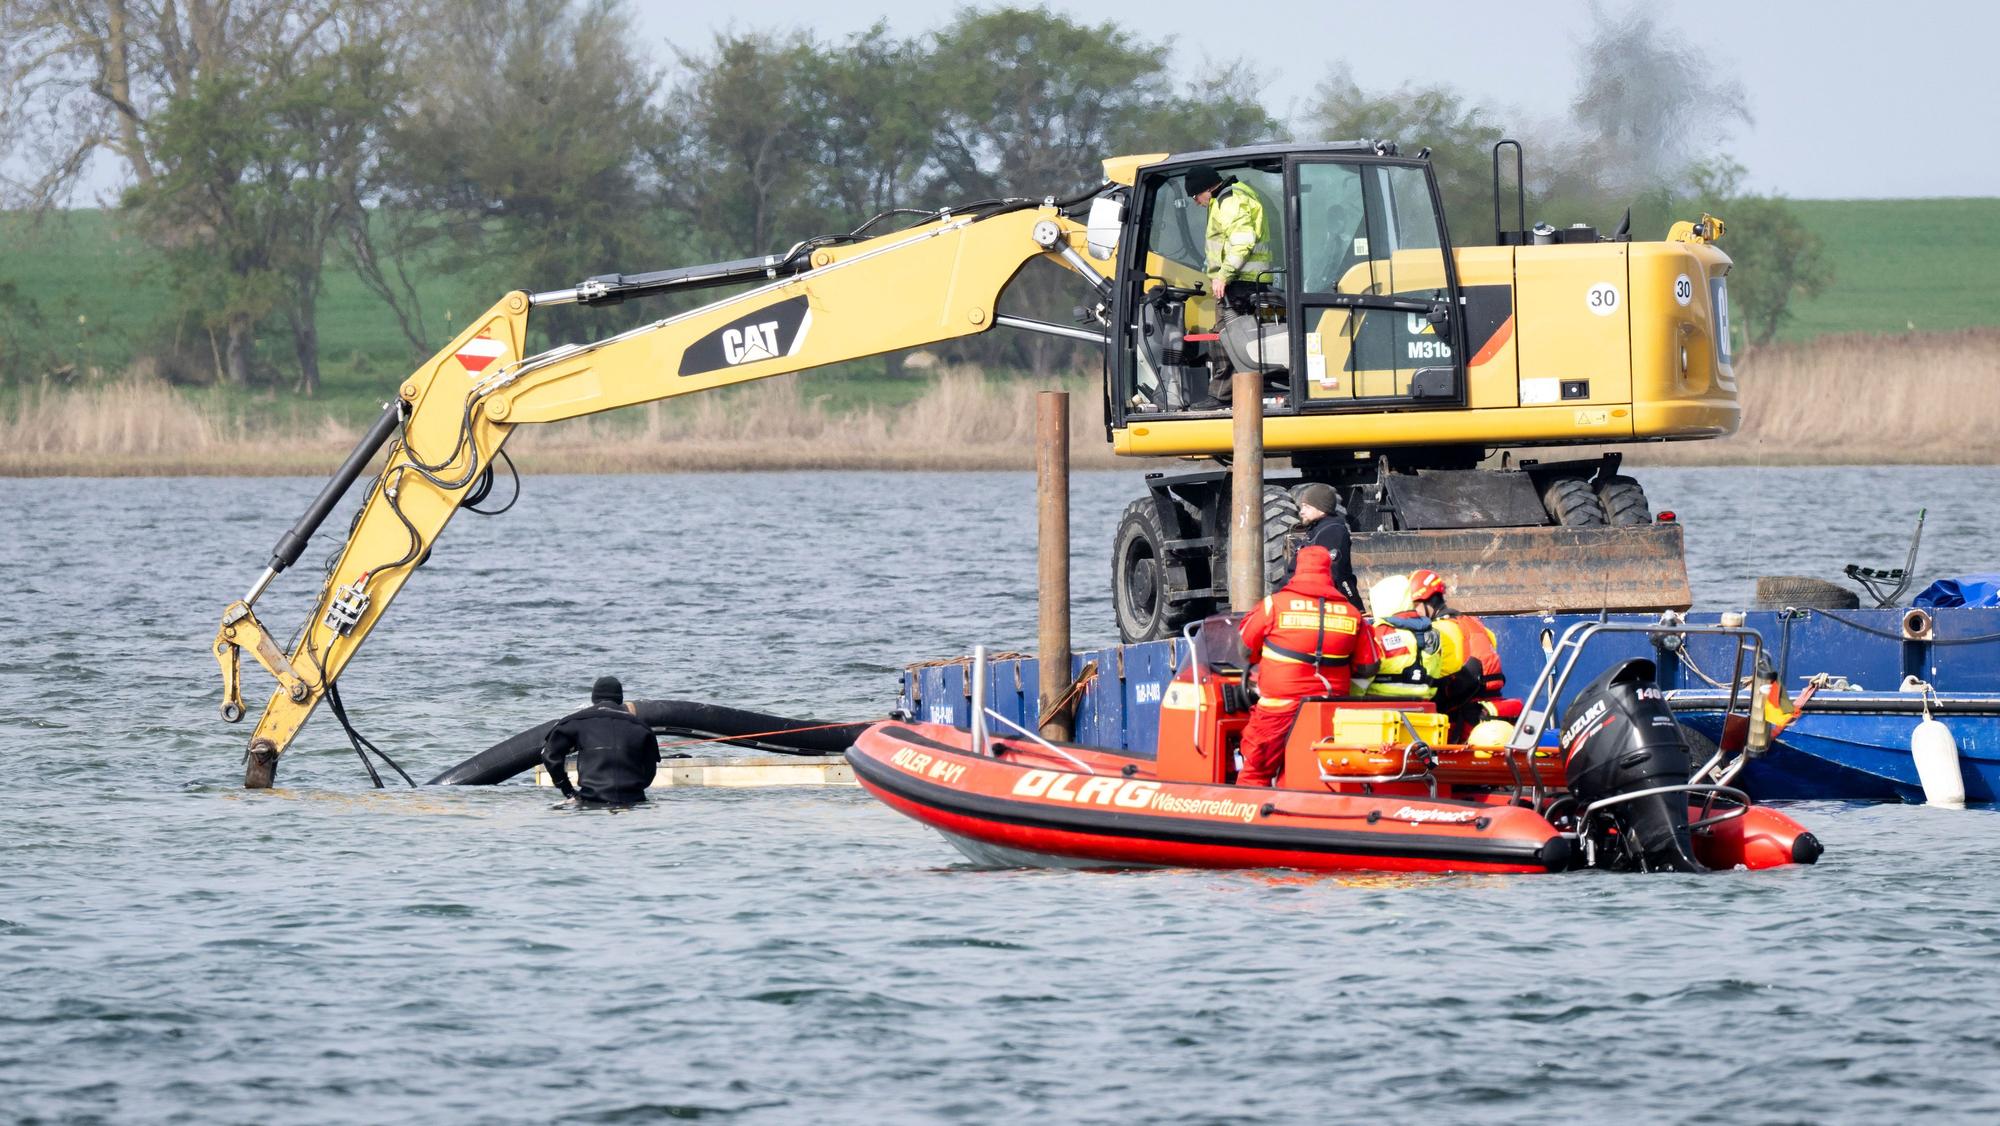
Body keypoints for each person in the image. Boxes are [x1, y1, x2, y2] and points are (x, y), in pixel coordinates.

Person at [1235, 545, 1379, 787]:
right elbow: (1368, 666)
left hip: (1278, 709)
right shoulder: (1352, 613)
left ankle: (1250, 819)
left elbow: (1244, 649)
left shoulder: (1273, 605)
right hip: (1330, 710)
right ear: (1329, 572)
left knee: (1256, 771)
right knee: (1304, 771)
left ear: (1297, 569)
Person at [1185, 164, 1275, 409]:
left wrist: (1224, 275)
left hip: (1240, 282)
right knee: (1234, 338)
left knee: (1223, 336)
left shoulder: (1230, 200)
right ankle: (1241, 393)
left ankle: (1223, 396)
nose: (1196, 202)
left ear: (1205, 189)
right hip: (1246, 281)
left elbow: (1242, 241)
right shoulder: (1236, 195)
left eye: (1195, 196)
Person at [1407, 569, 1507, 733]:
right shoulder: (1476, 624)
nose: (1412, 613)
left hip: (1457, 718)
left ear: (1428, 602)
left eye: (1414, 606)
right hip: (1487, 711)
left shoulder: (1434, 632)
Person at [540, 675, 660, 806]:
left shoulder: (575, 721)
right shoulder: (642, 728)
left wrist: (568, 791)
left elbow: (549, 755)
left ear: (593, 698)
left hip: (592, 801)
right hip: (634, 801)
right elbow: (650, 771)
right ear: (620, 699)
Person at [1283, 482, 1361, 606]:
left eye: (1307, 507)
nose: (1301, 512)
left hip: (1322, 604)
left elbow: (1336, 575)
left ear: (1321, 509)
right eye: (1301, 507)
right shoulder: (1316, 530)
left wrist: (1353, 605)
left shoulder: (1332, 532)